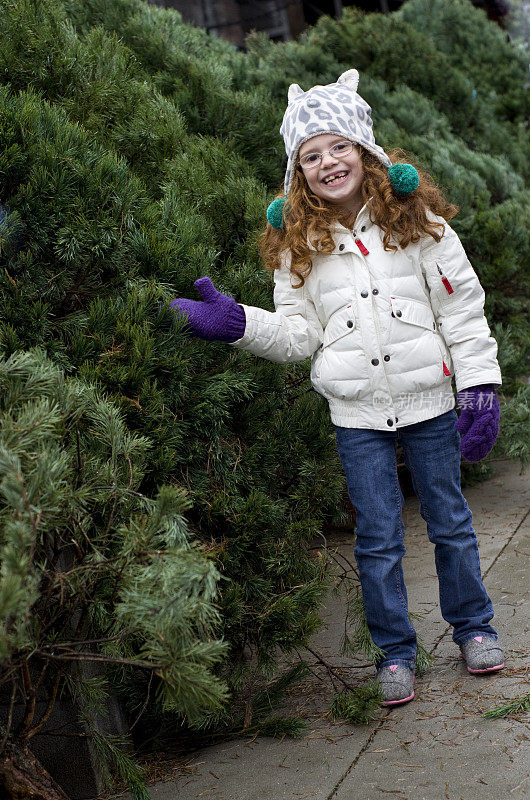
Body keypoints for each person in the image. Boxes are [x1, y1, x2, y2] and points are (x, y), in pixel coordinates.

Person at [169, 69, 504, 706]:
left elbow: (462, 311)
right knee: (377, 537)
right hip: (356, 415)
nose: (328, 162)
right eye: (311, 155)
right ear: (298, 174)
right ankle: (395, 654)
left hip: (429, 403)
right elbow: (298, 336)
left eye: (338, 147)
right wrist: (239, 324)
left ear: (367, 151)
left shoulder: (420, 224)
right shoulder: (301, 249)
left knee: (451, 522)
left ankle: (473, 627)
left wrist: (480, 385)